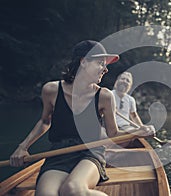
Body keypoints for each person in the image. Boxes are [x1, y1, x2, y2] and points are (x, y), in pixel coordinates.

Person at [9, 40, 155, 196]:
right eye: (100, 63)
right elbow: (45, 122)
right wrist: (23, 147)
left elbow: (113, 134)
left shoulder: (104, 96)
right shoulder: (51, 90)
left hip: (90, 153)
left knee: (73, 189)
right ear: (84, 62)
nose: (105, 69)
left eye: (105, 65)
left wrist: (138, 131)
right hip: (59, 153)